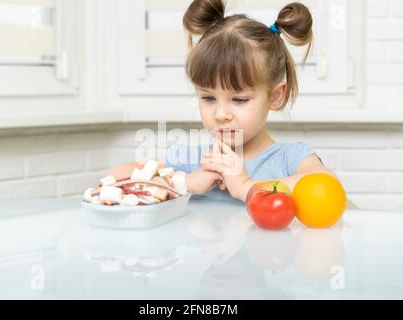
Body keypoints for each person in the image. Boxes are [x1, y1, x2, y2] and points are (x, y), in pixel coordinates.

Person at [109, 0, 339, 203]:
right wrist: (185, 182)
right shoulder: (191, 160)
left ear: (275, 96)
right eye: (208, 97)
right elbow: (116, 176)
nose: (220, 114)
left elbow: (327, 185)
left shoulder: (290, 158)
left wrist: (246, 187)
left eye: (239, 99)